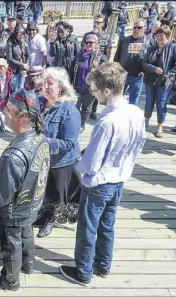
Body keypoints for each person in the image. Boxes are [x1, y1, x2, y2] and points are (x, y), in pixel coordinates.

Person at [59, 62, 146, 286]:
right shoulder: (136, 112)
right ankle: (103, 265)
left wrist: (79, 163)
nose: (93, 94)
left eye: (95, 90)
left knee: (87, 227)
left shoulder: (107, 122)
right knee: (107, 224)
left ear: (107, 91)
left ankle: (83, 272)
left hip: (99, 183)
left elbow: (92, 163)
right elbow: (138, 146)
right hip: (119, 179)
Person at [0, 89, 50, 291]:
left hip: (13, 211)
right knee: (27, 232)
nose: (3, 112)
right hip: (33, 203)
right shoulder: (40, 137)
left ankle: (11, 281)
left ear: (22, 116)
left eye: (9, 110)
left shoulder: (14, 155)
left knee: (12, 243)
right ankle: (28, 265)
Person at [37, 67, 81, 238]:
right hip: (42, 158)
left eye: (50, 84)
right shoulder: (41, 103)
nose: (45, 87)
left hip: (60, 162)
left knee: (57, 194)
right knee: (42, 190)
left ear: (61, 87)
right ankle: (43, 213)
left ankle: (52, 218)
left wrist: (43, 142)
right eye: (44, 83)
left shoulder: (69, 111)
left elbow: (69, 143)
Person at [142, 25, 176, 138]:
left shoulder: (173, 47)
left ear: (167, 36)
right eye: (158, 35)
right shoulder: (152, 48)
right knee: (149, 102)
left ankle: (159, 127)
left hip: (164, 82)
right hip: (150, 80)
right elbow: (144, 63)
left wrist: (169, 73)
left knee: (161, 104)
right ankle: (146, 121)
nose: (160, 38)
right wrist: (153, 68)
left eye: (162, 36)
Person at [72, 34, 108, 133]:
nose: (88, 45)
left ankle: (82, 125)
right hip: (77, 86)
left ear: (96, 44)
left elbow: (104, 74)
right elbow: (72, 70)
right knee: (75, 106)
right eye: (87, 42)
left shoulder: (101, 57)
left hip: (91, 88)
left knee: (87, 107)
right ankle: (74, 124)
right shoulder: (79, 55)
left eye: (91, 43)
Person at [114, 19, 154, 105]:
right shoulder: (124, 40)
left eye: (139, 27)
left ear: (144, 28)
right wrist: (116, 70)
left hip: (138, 76)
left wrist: (145, 71)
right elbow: (117, 57)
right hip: (123, 74)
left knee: (133, 101)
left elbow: (152, 59)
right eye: (135, 27)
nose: (136, 29)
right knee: (117, 98)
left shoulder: (150, 41)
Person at [7, 24, 30, 91]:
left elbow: (28, 55)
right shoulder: (10, 42)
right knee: (15, 89)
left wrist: (26, 67)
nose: (21, 36)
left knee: (21, 88)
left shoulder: (24, 41)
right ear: (15, 34)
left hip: (23, 70)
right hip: (15, 71)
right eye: (19, 35)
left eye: (23, 35)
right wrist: (22, 64)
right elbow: (10, 58)